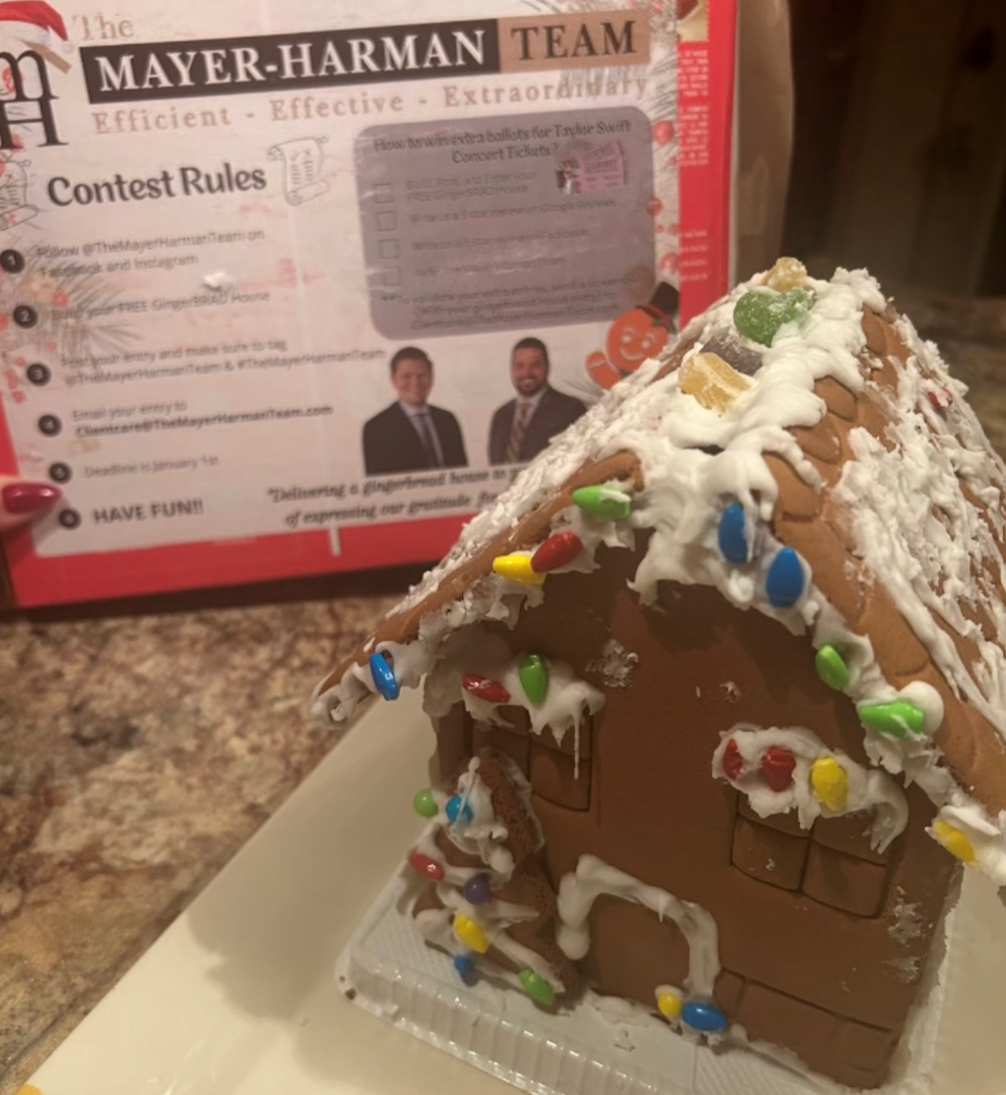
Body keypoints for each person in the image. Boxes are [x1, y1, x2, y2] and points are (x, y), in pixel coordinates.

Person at [363, 347, 467, 475]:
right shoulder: (376, 428)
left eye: (421, 375)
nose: (415, 382)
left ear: (431, 377)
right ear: (393, 380)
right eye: (406, 376)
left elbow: (463, 473)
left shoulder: (448, 420)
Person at [488, 337, 587, 465]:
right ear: (511, 369)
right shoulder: (500, 416)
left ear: (547, 367)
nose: (526, 373)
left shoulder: (570, 409)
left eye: (535, 365)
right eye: (519, 366)